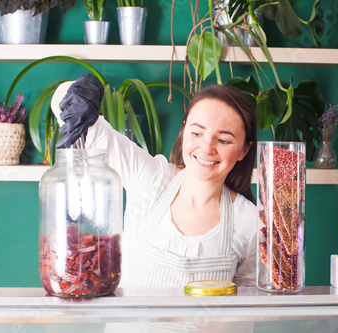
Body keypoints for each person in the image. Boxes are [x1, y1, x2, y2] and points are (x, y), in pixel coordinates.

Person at [51, 74, 258, 288]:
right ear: (184, 129)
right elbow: (86, 128)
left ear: (244, 149)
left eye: (223, 140)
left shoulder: (250, 222)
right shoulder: (151, 178)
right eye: (197, 133)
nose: (207, 148)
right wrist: (80, 94)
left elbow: (249, 303)